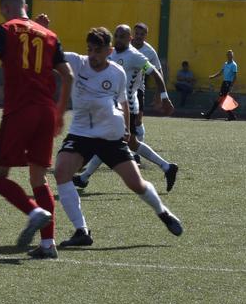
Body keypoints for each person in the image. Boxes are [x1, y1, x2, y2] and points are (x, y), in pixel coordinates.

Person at [55, 27, 184, 250]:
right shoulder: (77, 62)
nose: (93, 55)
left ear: (109, 50)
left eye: (98, 50)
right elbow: (51, 53)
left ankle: (163, 212)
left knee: (136, 184)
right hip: (81, 133)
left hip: (110, 135)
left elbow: (123, 102)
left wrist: (126, 128)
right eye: (90, 50)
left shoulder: (117, 73)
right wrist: (43, 29)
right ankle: (81, 231)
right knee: (61, 172)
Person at [0, 0, 73, 258]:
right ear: (25, 7)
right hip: (46, 112)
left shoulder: (3, 29)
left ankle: (33, 211)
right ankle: (47, 245)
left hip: (20, 111)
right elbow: (69, 76)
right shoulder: (50, 36)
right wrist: (61, 113)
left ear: (5, 9)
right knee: (38, 178)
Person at [72, 25, 179, 192]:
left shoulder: (135, 56)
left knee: (108, 142)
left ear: (130, 39)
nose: (119, 39)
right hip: (112, 106)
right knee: (123, 143)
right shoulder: (112, 52)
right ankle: (167, 167)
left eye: (123, 36)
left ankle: (84, 176)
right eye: (117, 35)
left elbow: (155, 73)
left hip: (125, 107)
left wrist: (164, 97)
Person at [132, 22, 162, 113]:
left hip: (138, 88)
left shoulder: (149, 52)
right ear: (133, 34)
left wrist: (158, 95)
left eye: (142, 34)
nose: (138, 36)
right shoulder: (125, 46)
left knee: (138, 119)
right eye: (136, 33)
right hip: (120, 87)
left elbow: (159, 72)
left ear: (146, 35)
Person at [202, 50, 238, 120]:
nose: (229, 56)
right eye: (228, 54)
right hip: (224, 83)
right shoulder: (225, 64)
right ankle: (232, 116)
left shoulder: (234, 65)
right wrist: (213, 76)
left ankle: (209, 114)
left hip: (228, 83)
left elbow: (235, 76)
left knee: (220, 100)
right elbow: (221, 73)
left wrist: (231, 86)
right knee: (221, 100)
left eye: (230, 54)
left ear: (232, 56)